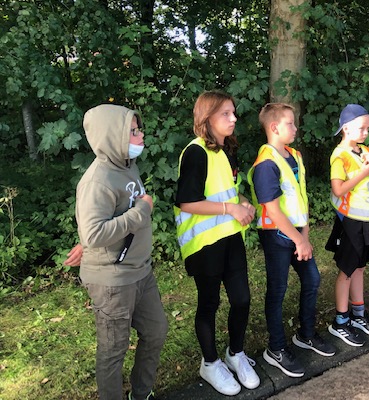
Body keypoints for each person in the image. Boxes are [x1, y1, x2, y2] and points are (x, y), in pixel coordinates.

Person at [74, 104, 168, 400]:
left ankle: (141, 394)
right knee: (113, 350)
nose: (141, 136)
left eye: (139, 129)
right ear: (112, 136)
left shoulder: (127, 164)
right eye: (133, 131)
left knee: (156, 331)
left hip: (140, 271)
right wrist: (142, 211)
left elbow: (102, 223)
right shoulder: (97, 181)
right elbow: (93, 234)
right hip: (113, 281)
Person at [174, 91, 259, 396]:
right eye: (226, 113)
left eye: (233, 112)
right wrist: (230, 208)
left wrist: (243, 202)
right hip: (204, 245)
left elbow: (230, 191)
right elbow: (187, 202)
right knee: (209, 303)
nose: (234, 118)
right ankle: (209, 363)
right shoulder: (195, 152)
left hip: (231, 238)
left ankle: (235, 354)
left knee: (242, 299)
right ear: (206, 117)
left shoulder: (227, 150)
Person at [247, 102, 336, 378]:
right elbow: (273, 210)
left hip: (297, 233)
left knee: (312, 279)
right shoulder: (266, 164)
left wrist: (304, 235)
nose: (296, 128)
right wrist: (300, 240)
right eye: (290, 123)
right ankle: (276, 348)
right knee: (278, 289)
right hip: (276, 236)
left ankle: (306, 334)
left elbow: (301, 198)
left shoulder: (294, 156)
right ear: (274, 127)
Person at [326, 104, 369, 347]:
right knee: (347, 270)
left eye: (368, 128)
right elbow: (338, 189)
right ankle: (341, 320)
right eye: (362, 128)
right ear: (346, 128)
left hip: (368, 218)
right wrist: (364, 172)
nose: (366, 133)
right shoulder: (339, 156)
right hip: (350, 221)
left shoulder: (364, 150)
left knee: (360, 267)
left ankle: (358, 313)